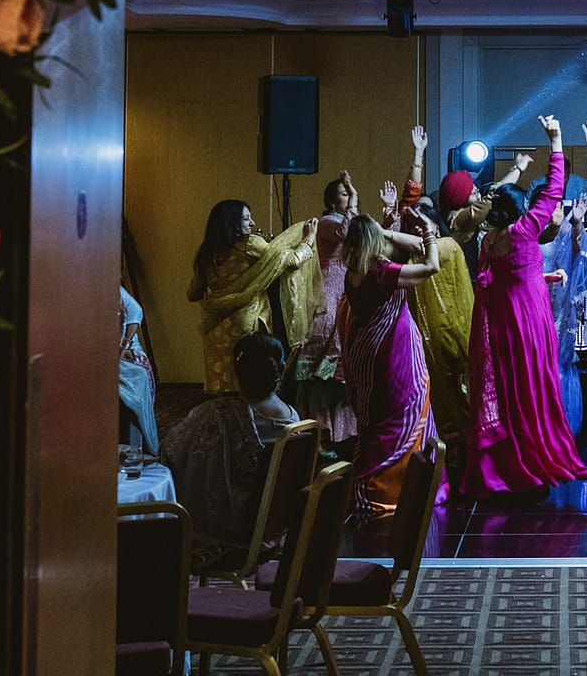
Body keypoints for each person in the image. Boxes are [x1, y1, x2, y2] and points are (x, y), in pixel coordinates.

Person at [466, 115, 587, 498]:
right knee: (533, 392)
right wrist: (556, 140)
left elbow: (509, 278)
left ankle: (506, 467)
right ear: (521, 207)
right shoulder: (524, 231)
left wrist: (546, 277)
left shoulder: (489, 241)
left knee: (509, 394)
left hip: (501, 324)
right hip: (528, 324)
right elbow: (554, 189)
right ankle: (533, 466)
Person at [158, 333, 300, 573]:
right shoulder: (294, 417)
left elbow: (172, 451)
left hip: (236, 530)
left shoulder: (218, 414)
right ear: (282, 368)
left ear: (237, 372)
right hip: (274, 526)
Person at [339, 211, 445, 514]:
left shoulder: (354, 271)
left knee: (377, 418)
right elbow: (431, 264)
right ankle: (395, 489)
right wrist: (428, 230)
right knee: (401, 413)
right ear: (373, 241)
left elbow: (411, 247)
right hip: (392, 353)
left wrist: (384, 232)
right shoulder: (380, 272)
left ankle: (374, 482)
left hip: (365, 351)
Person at [390, 130, 477, 455]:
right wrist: (417, 155)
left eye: (422, 224)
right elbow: (409, 202)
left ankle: (461, 452)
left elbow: (412, 211)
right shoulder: (410, 254)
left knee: (459, 394)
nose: (416, 228)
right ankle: (442, 454)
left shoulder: (447, 246)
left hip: (452, 333)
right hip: (419, 339)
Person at [186, 199, 320, 394]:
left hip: (215, 329)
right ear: (231, 223)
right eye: (246, 218)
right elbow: (290, 260)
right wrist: (309, 239)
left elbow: (193, 294)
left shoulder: (206, 253)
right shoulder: (248, 244)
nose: (253, 223)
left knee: (225, 386)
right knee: (251, 384)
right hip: (246, 323)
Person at [293, 172, 363, 445]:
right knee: (326, 360)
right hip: (327, 295)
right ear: (332, 203)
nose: (349, 196)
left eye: (349, 193)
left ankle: (344, 433)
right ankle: (321, 434)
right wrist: (354, 200)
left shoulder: (345, 220)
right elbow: (347, 233)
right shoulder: (326, 223)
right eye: (344, 194)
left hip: (344, 292)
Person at [539, 182, 587, 435]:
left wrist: (577, 223)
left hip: (560, 310)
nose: (556, 209)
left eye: (558, 205)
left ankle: (561, 430)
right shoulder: (528, 232)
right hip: (533, 307)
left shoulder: (566, 229)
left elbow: (578, 249)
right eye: (550, 204)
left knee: (559, 364)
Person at [119, 285, 159, 453]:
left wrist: (125, 345)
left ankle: (138, 447)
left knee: (138, 376)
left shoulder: (115, 291)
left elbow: (135, 311)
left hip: (124, 350)